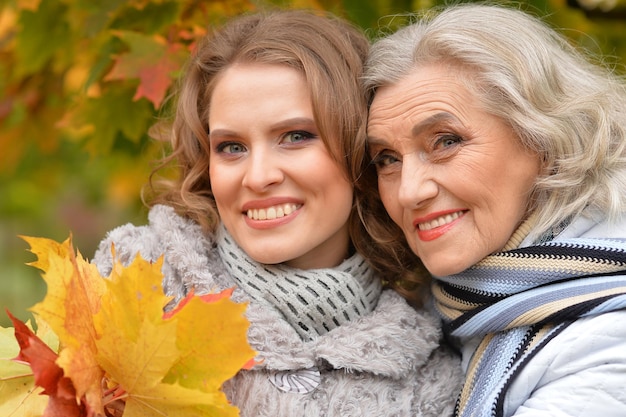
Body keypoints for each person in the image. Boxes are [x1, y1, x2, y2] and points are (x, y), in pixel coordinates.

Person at [92, 9, 462, 417]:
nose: (258, 176)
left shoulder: (427, 373)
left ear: (360, 149)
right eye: (232, 147)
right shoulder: (136, 283)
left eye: (295, 137)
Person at [354, 3, 626, 417]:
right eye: (387, 159)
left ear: (542, 138)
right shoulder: (449, 303)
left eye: (445, 141)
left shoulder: (608, 345)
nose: (408, 192)